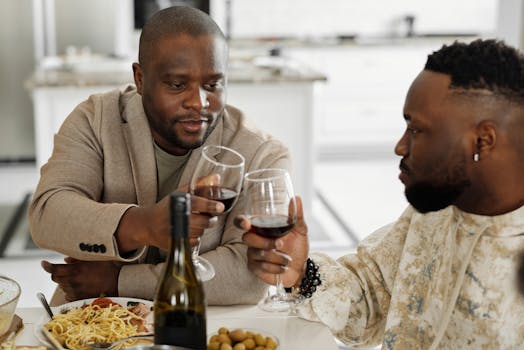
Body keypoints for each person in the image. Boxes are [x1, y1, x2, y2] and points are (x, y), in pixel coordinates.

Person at [239, 39, 524, 349]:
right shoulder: (434, 212)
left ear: (483, 140)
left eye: (417, 130)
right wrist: (301, 273)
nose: (400, 147)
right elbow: (369, 298)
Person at [28, 6, 291, 306]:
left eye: (213, 84)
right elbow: (47, 213)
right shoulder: (95, 119)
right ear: (140, 79)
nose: (199, 102)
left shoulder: (263, 154)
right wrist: (144, 225)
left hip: (201, 326)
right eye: (177, 85)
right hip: (89, 318)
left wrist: (118, 281)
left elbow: (249, 275)